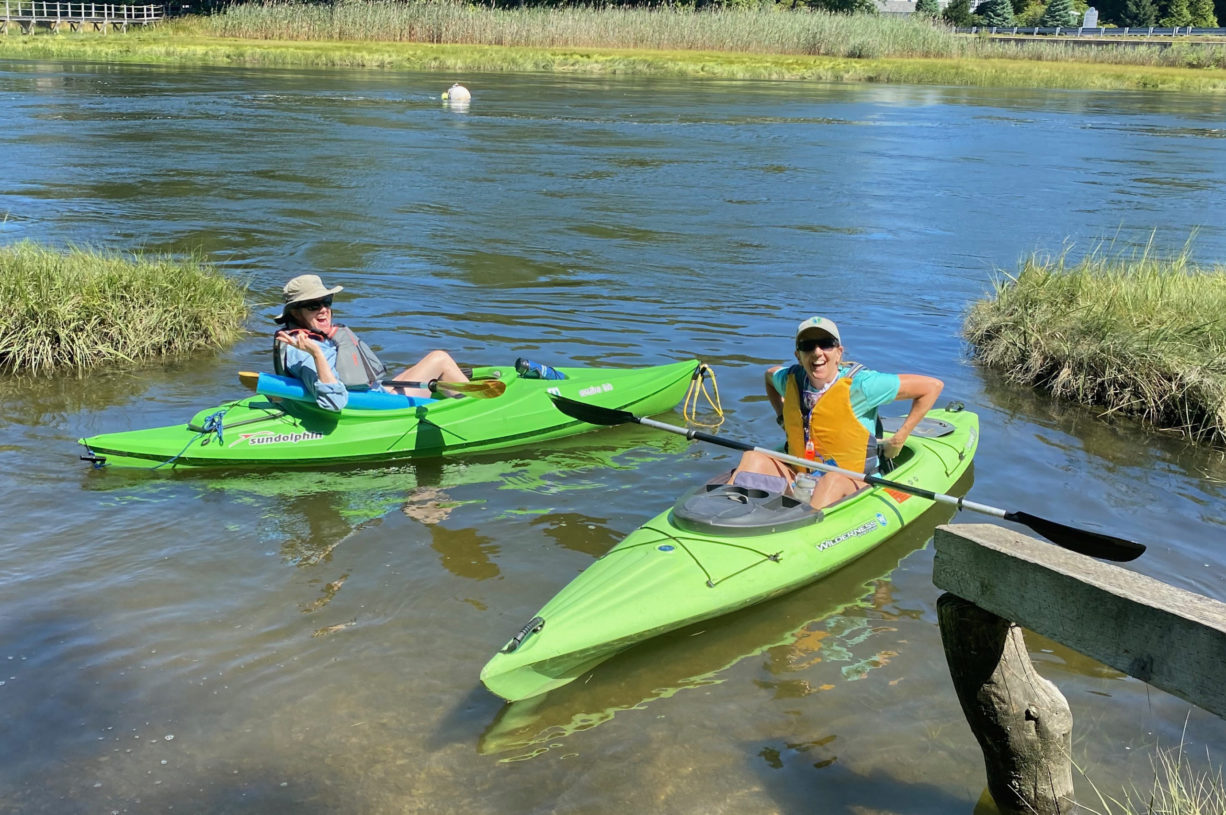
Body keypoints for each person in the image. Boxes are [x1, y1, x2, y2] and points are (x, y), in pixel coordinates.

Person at [727, 316, 943, 509]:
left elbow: (931, 387)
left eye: (826, 345)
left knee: (831, 481)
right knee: (753, 458)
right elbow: (769, 376)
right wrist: (782, 416)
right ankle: (725, 514)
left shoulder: (863, 385)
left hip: (853, 481)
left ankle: (801, 532)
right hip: (801, 476)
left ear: (839, 352)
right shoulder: (790, 379)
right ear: (798, 355)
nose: (817, 352)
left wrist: (899, 438)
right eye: (807, 346)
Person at [273, 274, 469, 411]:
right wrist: (316, 353)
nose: (324, 309)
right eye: (313, 305)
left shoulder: (305, 338)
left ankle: (452, 390)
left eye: (327, 301)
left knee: (428, 368)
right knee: (439, 359)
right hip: (372, 406)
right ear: (296, 313)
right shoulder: (303, 349)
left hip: (372, 393)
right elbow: (333, 401)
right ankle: (476, 410)